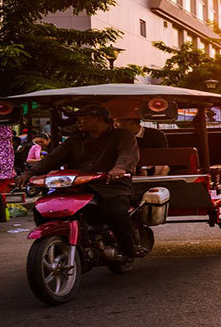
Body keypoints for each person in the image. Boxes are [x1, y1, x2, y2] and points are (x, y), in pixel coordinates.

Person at [15, 105, 146, 259]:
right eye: (78, 118)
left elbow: (127, 155)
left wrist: (120, 168)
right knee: (43, 209)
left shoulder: (122, 136)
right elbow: (52, 159)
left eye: (83, 118)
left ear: (99, 119)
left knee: (115, 212)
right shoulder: (74, 140)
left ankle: (128, 247)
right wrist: (29, 173)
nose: (79, 121)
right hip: (78, 187)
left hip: (111, 186)